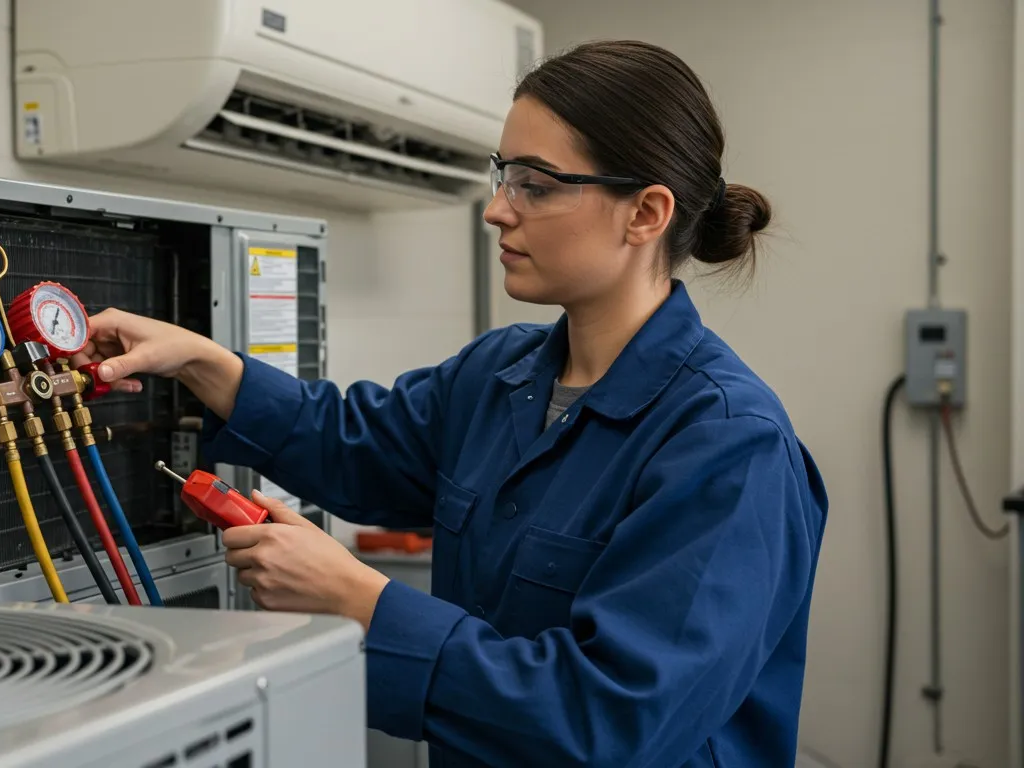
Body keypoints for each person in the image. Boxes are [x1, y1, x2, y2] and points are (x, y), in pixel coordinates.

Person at [82, 40, 828, 768]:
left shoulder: (729, 446)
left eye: (535, 184)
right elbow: (353, 444)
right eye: (503, 175)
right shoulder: (497, 375)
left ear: (645, 214)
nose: (497, 211)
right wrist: (203, 362)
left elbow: (611, 722)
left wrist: (365, 603)